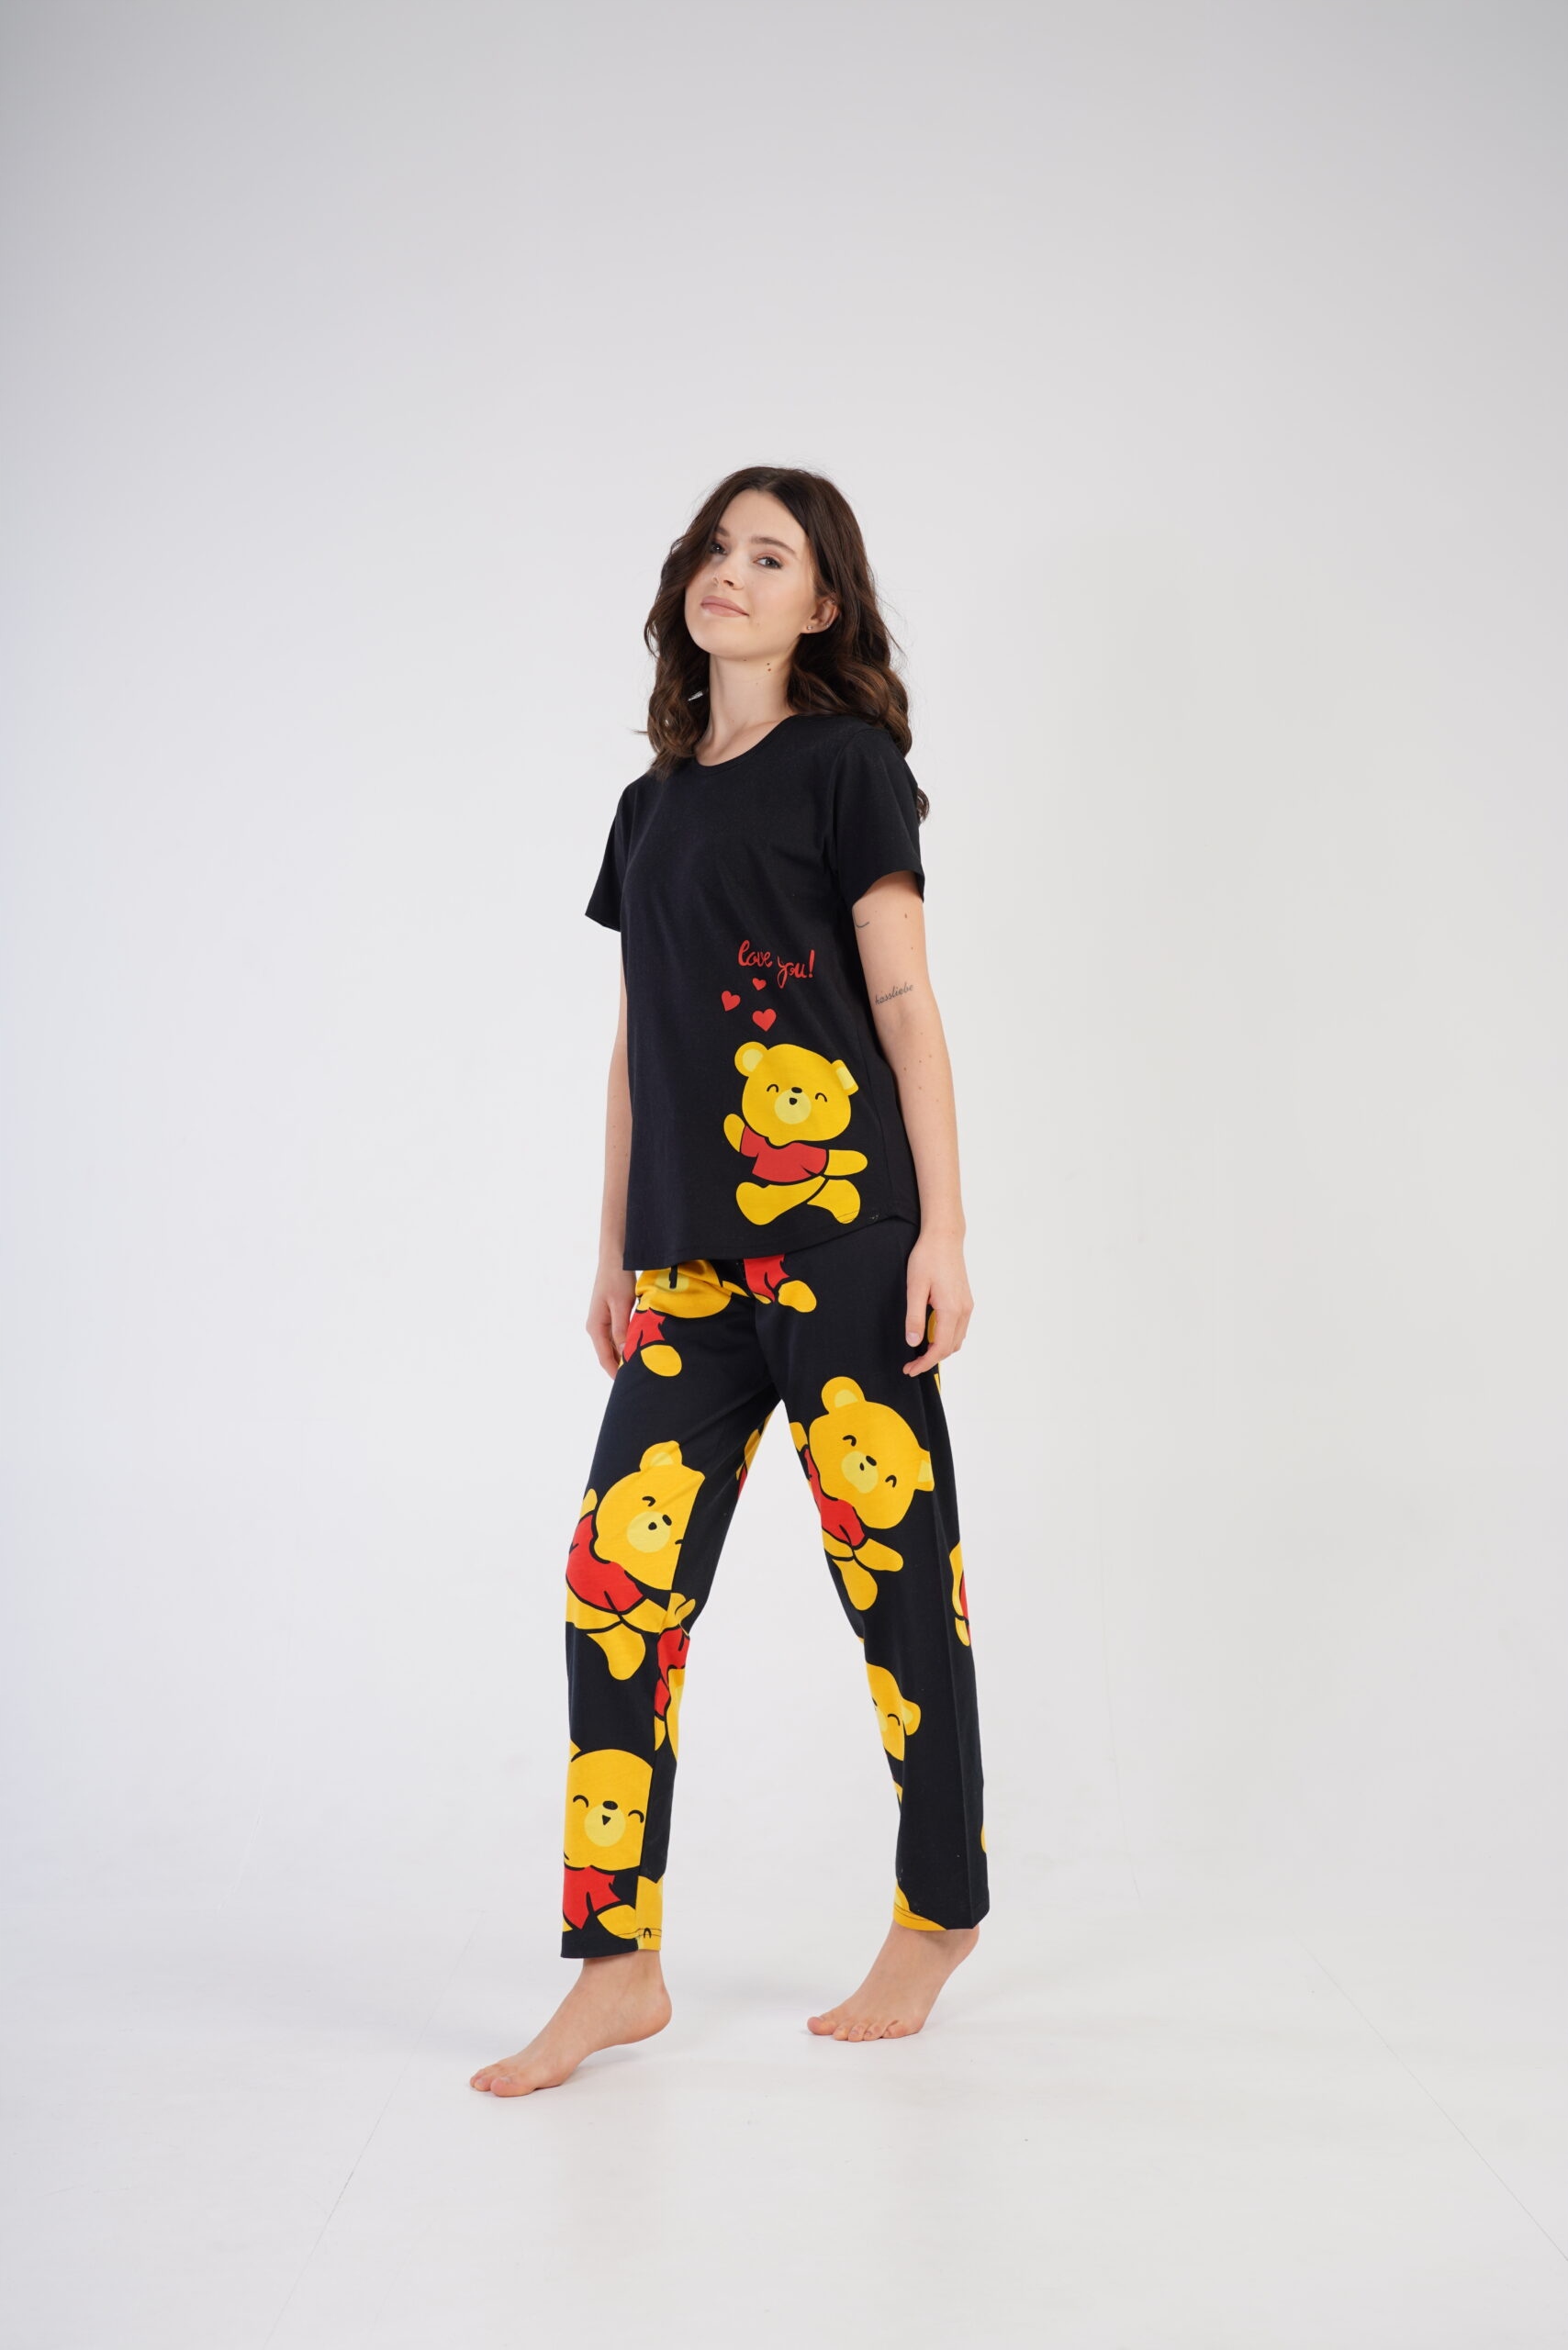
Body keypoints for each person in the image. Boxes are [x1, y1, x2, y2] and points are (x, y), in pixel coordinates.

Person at [471, 465, 987, 2097]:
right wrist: (615, 1248)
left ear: (822, 606)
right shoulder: (650, 811)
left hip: (845, 1244)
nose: (732, 572)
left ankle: (940, 1911)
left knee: (897, 1585)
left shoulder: (850, 769)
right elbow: (642, 1041)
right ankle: (615, 1967)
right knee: (614, 1586)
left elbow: (902, 1005)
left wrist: (943, 1232)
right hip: (689, 1268)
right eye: (717, 545)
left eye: (773, 556)